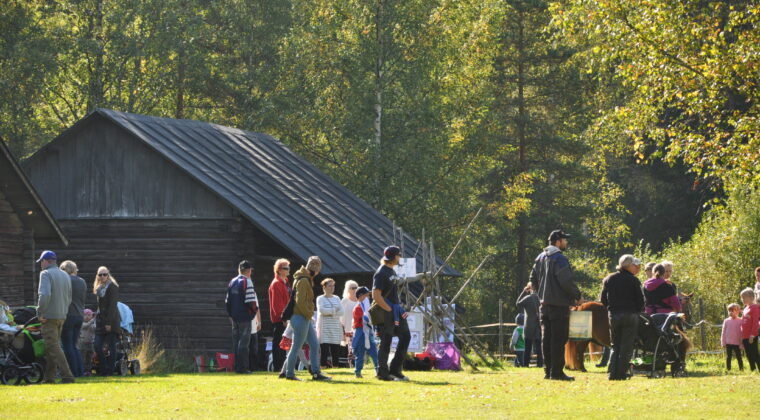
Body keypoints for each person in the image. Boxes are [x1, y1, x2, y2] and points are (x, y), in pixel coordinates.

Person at [529, 230, 580, 381]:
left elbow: (532, 280)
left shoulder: (539, 258)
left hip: (543, 306)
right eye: (565, 240)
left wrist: (542, 295)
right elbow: (566, 281)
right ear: (558, 242)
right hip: (559, 306)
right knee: (559, 340)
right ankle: (557, 373)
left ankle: (548, 371)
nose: (566, 243)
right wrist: (577, 295)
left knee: (547, 340)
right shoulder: (559, 258)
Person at [373, 245, 428, 381]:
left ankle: (395, 370)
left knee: (406, 336)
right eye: (398, 255)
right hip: (387, 312)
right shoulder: (381, 272)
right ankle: (383, 373)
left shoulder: (391, 271)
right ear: (393, 257)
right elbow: (376, 295)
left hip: (395, 310)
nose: (400, 257)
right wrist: (389, 309)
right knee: (386, 342)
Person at [284, 256, 331, 381]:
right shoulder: (304, 280)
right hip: (301, 318)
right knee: (296, 347)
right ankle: (289, 374)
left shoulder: (305, 278)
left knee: (315, 345)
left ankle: (316, 373)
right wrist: (309, 314)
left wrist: (308, 315)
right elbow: (300, 302)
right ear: (315, 269)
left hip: (304, 318)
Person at [600, 254, 645, 380]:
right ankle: (621, 374)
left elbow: (603, 300)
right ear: (629, 266)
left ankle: (612, 373)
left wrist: (611, 308)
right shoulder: (634, 280)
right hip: (630, 315)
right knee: (626, 346)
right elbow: (641, 301)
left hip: (614, 315)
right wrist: (637, 311)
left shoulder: (609, 279)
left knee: (615, 345)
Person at [36, 250, 75, 384]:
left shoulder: (45, 274)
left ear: (45, 261)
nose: (41, 264)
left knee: (53, 346)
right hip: (62, 316)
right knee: (51, 347)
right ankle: (49, 377)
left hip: (48, 317)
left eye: (41, 261)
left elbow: (44, 295)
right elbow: (69, 298)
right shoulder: (65, 275)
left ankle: (67, 376)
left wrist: (40, 312)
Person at [225, 260, 258, 374]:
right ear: (248, 270)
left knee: (236, 343)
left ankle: (237, 366)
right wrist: (254, 312)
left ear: (239, 269)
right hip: (245, 317)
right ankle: (243, 368)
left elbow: (227, 301)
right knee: (244, 344)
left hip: (234, 318)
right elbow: (251, 301)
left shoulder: (232, 282)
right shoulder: (247, 281)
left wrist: (230, 315)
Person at [60, 260, 86, 377]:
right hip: (80, 315)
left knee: (67, 345)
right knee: (74, 345)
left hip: (68, 315)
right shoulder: (82, 281)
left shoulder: (65, 280)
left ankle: (73, 372)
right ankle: (80, 371)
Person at [93, 266, 120, 376]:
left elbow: (112, 306)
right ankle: (103, 368)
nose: (102, 276)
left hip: (111, 321)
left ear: (108, 275)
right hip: (101, 321)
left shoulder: (112, 287)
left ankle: (109, 370)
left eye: (105, 274)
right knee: (97, 345)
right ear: (97, 276)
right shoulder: (99, 288)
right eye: (100, 274)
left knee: (111, 346)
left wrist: (109, 323)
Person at [269, 258, 291, 372]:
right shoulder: (276, 284)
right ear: (279, 270)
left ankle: (283, 367)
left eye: (288, 267)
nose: (288, 270)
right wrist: (284, 318)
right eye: (285, 268)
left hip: (286, 317)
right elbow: (276, 304)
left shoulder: (285, 281)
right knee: (278, 343)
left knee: (284, 344)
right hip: (280, 319)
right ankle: (277, 367)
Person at [316, 278, 344, 367]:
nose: (332, 288)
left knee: (335, 349)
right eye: (329, 286)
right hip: (325, 328)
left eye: (333, 286)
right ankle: (323, 367)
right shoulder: (320, 298)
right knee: (324, 350)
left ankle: (335, 367)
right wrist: (334, 310)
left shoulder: (337, 298)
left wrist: (330, 312)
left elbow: (342, 312)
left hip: (335, 327)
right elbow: (321, 310)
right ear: (324, 287)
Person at [352, 286, 378, 378]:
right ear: (361, 296)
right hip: (361, 332)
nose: (368, 297)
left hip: (368, 331)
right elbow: (364, 319)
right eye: (366, 295)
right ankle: (358, 372)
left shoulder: (366, 306)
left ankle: (378, 370)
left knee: (374, 351)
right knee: (360, 353)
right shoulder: (358, 307)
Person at [516, 282, 542, 368]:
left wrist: (524, 292)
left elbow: (518, 303)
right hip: (538, 324)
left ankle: (526, 364)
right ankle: (540, 364)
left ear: (529, 288)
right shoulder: (541, 298)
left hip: (529, 325)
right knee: (539, 347)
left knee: (527, 347)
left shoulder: (528, 298)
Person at [740, 288, 760, 371]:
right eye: (742, 298)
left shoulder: (755, 307)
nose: (742, 299)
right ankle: (753, 369)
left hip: (751, 336)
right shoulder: (745, 308)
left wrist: (752, 335)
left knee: (754, 353)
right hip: (745, 335)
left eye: (744, 297)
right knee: (748, 354)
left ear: (751, 297)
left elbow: (755, 322)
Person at [340, 280, 359, 360]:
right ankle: (352, 365)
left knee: (359, 347)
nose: (355, 289)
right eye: (352, 288)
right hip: (348, 328)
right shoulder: (344, 301)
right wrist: (342, 331)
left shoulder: (360, 300)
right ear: (348, 289)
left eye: (356, 287)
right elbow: (340, 317)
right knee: (351, 348)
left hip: (359, 328)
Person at [721, 303, 744, 371]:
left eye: (732, 311)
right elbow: (723, 332)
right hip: (728, 342)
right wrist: (723, 342)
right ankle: (728, 369)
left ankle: (741, 369)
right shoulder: (726, 321)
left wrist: (742, 344)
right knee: (728, 357)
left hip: (737, 343)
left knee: (739, 356)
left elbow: (742, 333)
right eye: (729, 311)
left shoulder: (740, 321)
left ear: (737, 312)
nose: (730, 312)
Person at [80, 309, 96, 376]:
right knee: (82, 358)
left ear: (91, 316)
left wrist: (94, 321)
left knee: (89, 358)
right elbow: (86, 326)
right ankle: (82, 370)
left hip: (90, 343)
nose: (86, 316)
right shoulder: (82, 323)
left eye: (89, 315)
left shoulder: (92, 325)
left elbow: (95, 329)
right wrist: (94, 319)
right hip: (83, 343)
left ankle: (88, 371)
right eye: (85, 315)